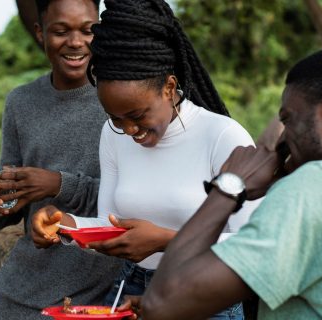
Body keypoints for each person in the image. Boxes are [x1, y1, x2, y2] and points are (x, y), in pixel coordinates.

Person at [31, 0, 261, 319]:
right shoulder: (112, 136)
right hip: (131, 291)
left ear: (169, 87)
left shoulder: (222, 137)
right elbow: (109, 224)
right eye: (116, 118)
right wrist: (65, 225)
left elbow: (255, 246)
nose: (129, 130)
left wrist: (163, 241)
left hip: (205, 295)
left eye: (137, 116)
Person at [137, 45, 322, 320]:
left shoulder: (319, 186)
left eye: (288, 120)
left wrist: (229, 185)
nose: (282, 140)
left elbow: (161, 304)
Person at [0, 0, 122, 319]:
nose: (75, 42)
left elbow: (131, 198)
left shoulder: (122, 99)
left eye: (87, 30)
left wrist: (57, 184)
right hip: (23, 282)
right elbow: (10, 211)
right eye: (60, 31)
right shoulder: (21, 102)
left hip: (95, 282)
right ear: (41, 34)